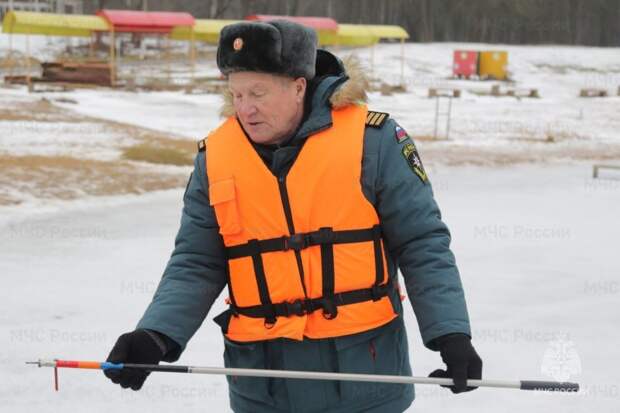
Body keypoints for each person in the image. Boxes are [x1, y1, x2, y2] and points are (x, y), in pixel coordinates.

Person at [104, 20, 482, 412]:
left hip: (363, 382)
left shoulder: (375, 141)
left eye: (258, 93)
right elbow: (196, 262)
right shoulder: (216, 158)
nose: (245, 109)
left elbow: (421, 243)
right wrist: (155, 334)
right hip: (263, 386)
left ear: (299, 85)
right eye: (235, 94)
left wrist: (451, 333)